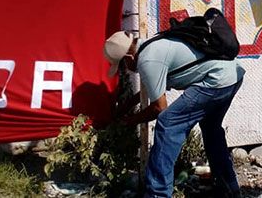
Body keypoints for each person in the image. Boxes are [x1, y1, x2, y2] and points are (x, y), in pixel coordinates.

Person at [103, 30, 245, 198]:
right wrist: (125, 107)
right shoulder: (152, 45)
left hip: (216, 80)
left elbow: (159, 108)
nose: (126, 71)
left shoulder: (148, 60)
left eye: (122, 66)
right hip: (232, 76)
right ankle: (228, 187)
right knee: (211, 128)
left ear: (128, 58)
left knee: (168, 122)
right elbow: (151, 87)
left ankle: (157, 193)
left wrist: (130, 121)